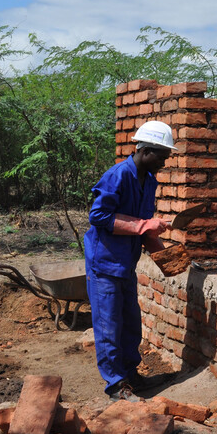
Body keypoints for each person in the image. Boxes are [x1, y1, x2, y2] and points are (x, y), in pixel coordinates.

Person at [84, 120, 176, 401]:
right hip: (105, 264)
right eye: (162, 156)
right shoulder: (118, 176)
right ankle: (115, 386)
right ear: (146, 150)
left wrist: (167, 258)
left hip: (126, 264)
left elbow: (145, 225)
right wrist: (142, 226)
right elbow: (98, 217)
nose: (164, 162)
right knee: (108, 325)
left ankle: (130, 375)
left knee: (130, 324)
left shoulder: (149, 180)